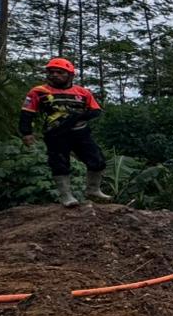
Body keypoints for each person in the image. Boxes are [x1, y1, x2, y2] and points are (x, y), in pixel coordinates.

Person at [19, 57, 110, 207]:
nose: (54, 75)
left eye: (60, 72)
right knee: (60, 163)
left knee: (97, 160)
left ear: (70, 75)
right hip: (55, 133)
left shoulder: (82, 92)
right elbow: (27, 113)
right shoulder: (38, 91)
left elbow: (96, 110)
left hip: (80, 132)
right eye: (51, 72)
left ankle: (93, 189)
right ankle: (66, 196)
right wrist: (26, 132)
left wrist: (78, 117)